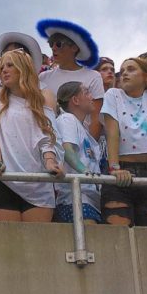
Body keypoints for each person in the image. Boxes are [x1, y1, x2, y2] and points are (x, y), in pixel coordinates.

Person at [0, 49, 63, 222]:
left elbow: (47, 138)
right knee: (7, 244)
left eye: (10, 65)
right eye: (2, 66)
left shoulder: (40, 102)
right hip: (4, 180)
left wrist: (50, 161)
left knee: (36, 244)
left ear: (23, 69)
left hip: (39, 182)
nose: (3, 70)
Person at [101, 57, 147, 226]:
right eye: (123, 71)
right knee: (118, 234)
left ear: (146, 76)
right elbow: (112, 132)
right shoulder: (113, 94)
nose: (125, 73)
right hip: (121, 168)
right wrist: (114, 168)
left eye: (131, 69)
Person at [36, 19, 105, 139]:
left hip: (83, 145)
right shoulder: (43, 77)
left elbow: (96, 118)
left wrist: (90, 151)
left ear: (74, 47)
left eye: (58, 44)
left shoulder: (93, 76)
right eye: (51, 44)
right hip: (52, 144)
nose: (53, 48)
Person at [53, 82, 103, 224]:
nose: (92, 97)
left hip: (89, 198)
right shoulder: (67, 119)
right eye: (87, 92)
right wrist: (85, 171)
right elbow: (67, 151)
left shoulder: (83, 127)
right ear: (75, 100)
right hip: (75, 199)